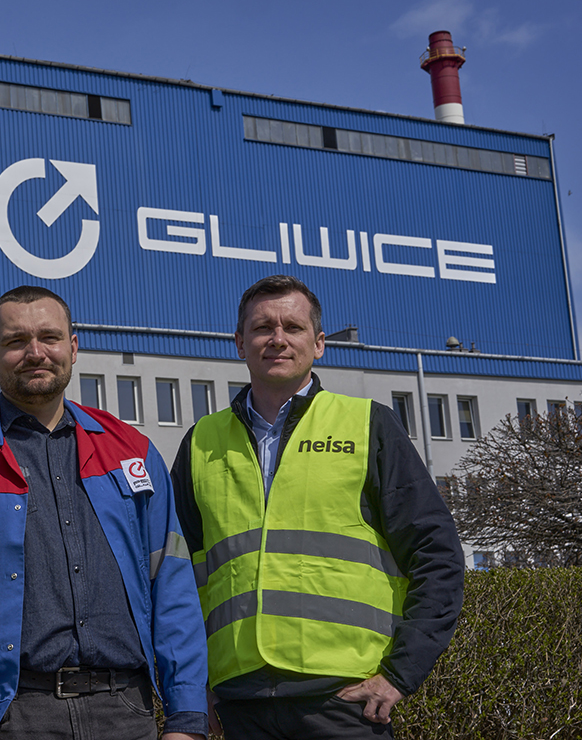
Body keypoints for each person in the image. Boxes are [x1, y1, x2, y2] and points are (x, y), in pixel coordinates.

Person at [0, 286, 209, 740]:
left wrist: (187, 716)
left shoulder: (131, 451)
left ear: (73, 348)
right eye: (16, 341)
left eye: (50, 338)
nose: (35, 352)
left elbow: (173, 587)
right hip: (10, 718)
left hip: (126, 714)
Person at [171, 274, 464, 739]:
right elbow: (177, 580)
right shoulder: (201, 442)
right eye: (263, 327)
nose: (278, 339)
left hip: (345, 703)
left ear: (320, 343)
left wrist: (400, 675)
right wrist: (191, 690)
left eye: (293, 326)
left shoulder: (367, 425)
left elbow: (438, 555)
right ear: (239, 343)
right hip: (241, 704)